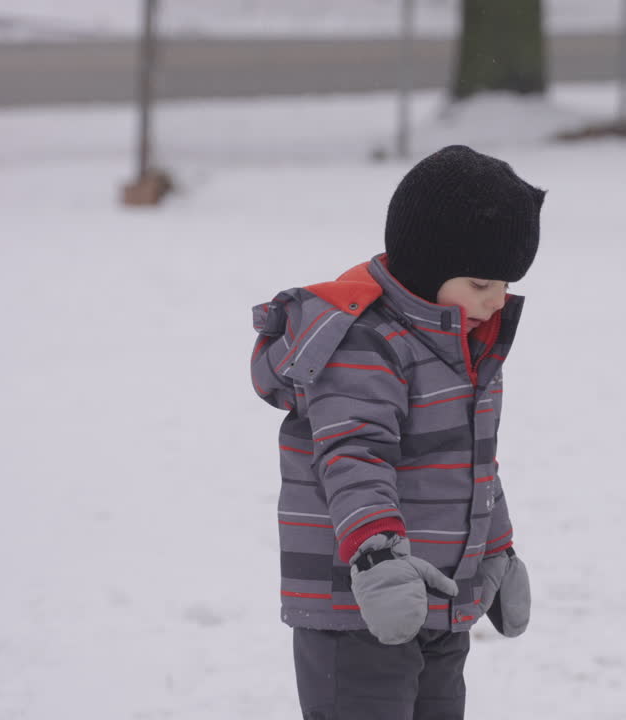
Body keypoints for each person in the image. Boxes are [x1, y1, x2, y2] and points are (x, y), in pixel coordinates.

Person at [249, 144, 545, 720]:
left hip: (440, 598)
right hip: (360, 606)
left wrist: (498, 549)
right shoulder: (367, 344)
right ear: (427, 266)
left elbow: (475, 463)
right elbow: (353, 456)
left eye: (506, 283)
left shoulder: (464, 348)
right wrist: (378, 556)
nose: (498, 300)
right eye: (482, 281)